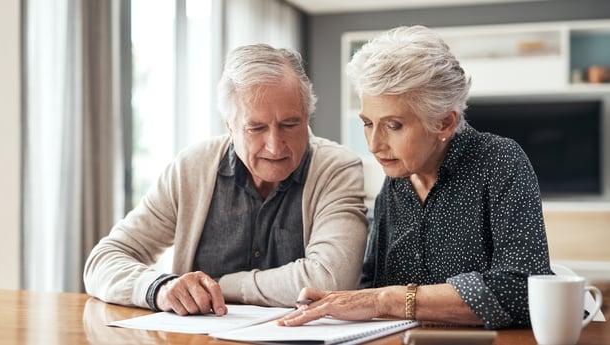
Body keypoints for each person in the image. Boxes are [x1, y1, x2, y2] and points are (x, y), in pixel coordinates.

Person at [277, 25, 552, 330]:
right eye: (368, 123)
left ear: (445, 123)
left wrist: (385, 301)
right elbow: (375, 283)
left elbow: (522, 290)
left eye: (393, 126)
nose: (374, 144)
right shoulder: (394, 183)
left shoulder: (500, 162)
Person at [83, 43, 369, 316]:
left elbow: (332, 279)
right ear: (230, 126)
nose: (275, 145)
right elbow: (103, 260)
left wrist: (222, 285)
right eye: (256, 127)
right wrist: (160, 288)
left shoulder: (336, 168)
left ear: (307, 117)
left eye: (289, 124)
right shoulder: (191, 169)